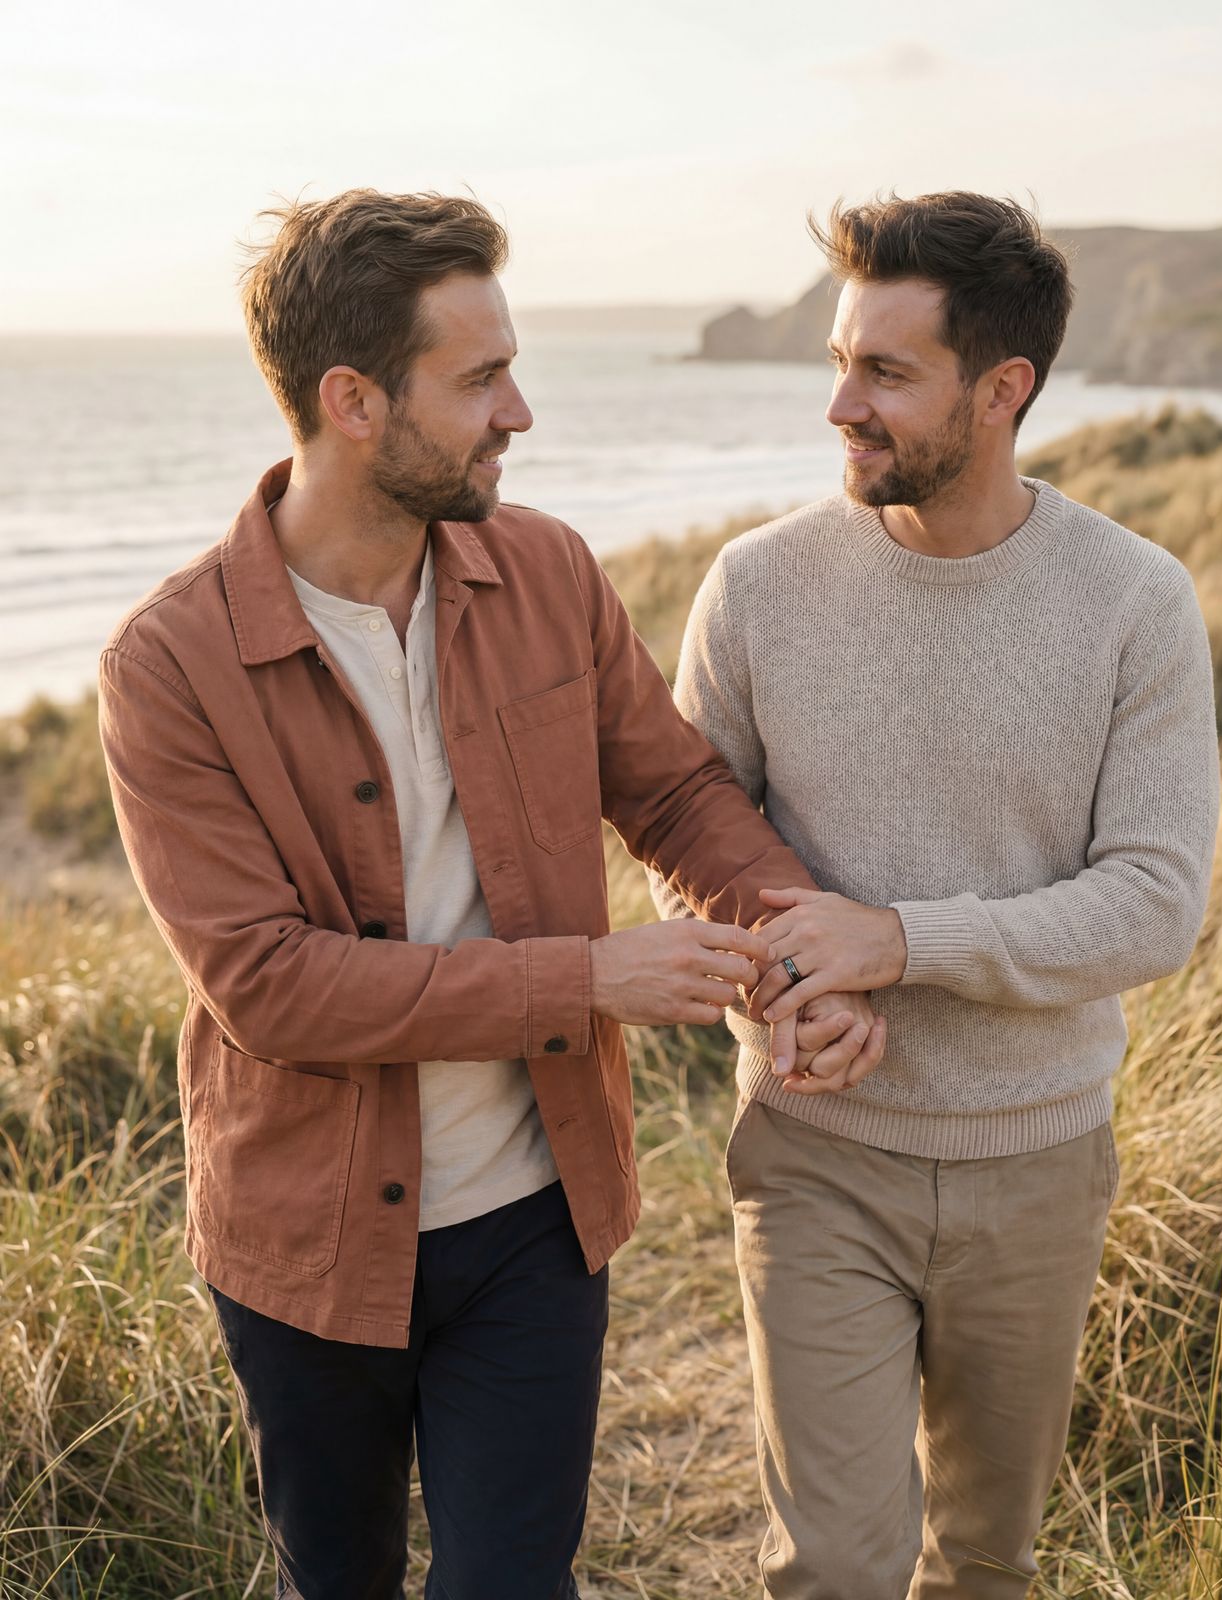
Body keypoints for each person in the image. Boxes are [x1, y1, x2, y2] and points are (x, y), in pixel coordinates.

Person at [97, 189, 883, 1600]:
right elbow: (270, 987)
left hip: (537, 1215)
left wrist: (796, 945)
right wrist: (587, 978)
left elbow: (673, 794)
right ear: (351, 401)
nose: (518, 412)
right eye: (479, 380)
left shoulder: (548, 571)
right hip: (306, 1238)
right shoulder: (168, 665)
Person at [656, 191, 1220, 1597]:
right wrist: (789, 989)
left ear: (1002, 388)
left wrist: (899, 944)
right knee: (834, 1566)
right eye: (839, 362)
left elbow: (1154, 901)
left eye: (886, 373)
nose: (840, 405)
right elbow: (686, 845)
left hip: (1038, 1161)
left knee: (981, 1562)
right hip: (813, 1152)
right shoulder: (753, 586)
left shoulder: (1135, 601)